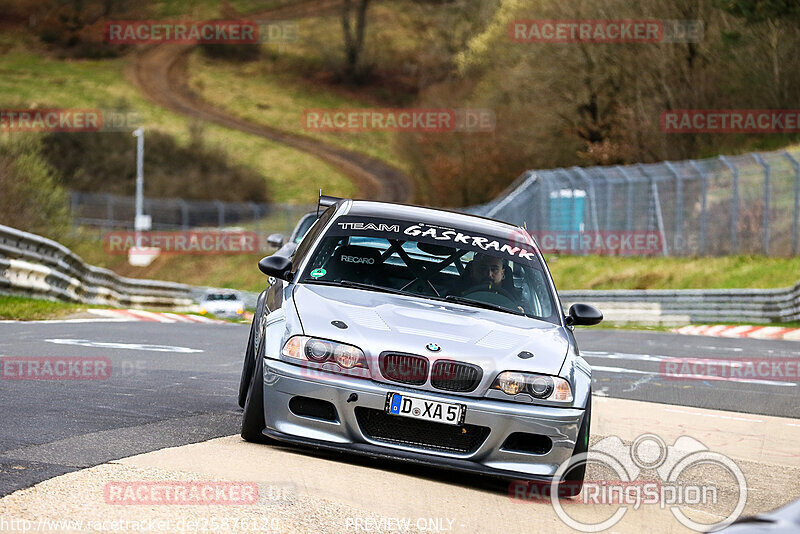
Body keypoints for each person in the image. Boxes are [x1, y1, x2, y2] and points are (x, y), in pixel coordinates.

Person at [454, 253, 524, 312]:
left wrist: (520, 312)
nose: (489, 274)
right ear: (472, 271)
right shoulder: (453, 299)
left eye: (494, 269)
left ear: (502, 273)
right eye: (482, 269)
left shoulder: (517, 306)